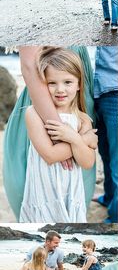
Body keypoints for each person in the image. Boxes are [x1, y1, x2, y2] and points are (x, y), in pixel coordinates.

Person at [3, 46, 96, 221]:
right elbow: (51, 155)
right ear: (43, 83)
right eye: (52, 83)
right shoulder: (33, 114)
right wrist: (81, 140)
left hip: (70, 193)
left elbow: (88, 162)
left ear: (79, 85)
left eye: (67, 82)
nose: (60, 89)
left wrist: (76, 140)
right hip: (43, 195)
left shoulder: (83, 119)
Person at [93, 46, 118, 223]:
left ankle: (116, 216)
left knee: (116, 159)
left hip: (113, 91)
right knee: (105, 153)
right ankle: (109, 197)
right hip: (97, 93)